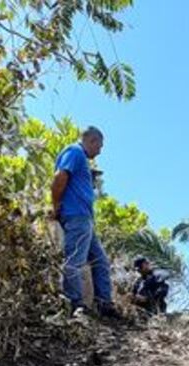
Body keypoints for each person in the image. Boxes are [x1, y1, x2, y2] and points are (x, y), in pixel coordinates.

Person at [50, 126, 120, 319]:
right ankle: (74, 303)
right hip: (76, 216)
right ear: (92, 141)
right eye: (100, 146)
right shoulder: (75, 152)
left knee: (101, 261)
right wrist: (56, 206)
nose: (100, 151)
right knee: (75, 260)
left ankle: (104, 304)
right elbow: (59, 178)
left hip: (85, 219)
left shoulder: (80, 158)